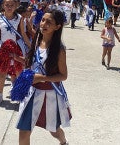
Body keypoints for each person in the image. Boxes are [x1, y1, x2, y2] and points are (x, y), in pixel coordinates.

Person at [17, 9, 71, 145]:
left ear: (57, 27)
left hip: (50, 95)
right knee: (24, 131)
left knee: (53, 130)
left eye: (49, 22)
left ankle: (63, 142)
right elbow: (34, 63)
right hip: (32, 93)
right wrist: (18, 58)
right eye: (43, 20)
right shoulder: (36, 41)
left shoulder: (59, 49)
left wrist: (42, 78)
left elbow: (63, 76)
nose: (44, 24)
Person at [0, 0, 31, 106]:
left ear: (15, 6)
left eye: (12, 5)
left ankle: (19, 95)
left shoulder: (19, 18)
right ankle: (0, 95)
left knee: (18, 72)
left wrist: (31, 47)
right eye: (7, 5)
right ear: (3, 6)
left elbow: (23, 34)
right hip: (3, 48)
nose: (9, 7)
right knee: (2, 73)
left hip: (16, 48)